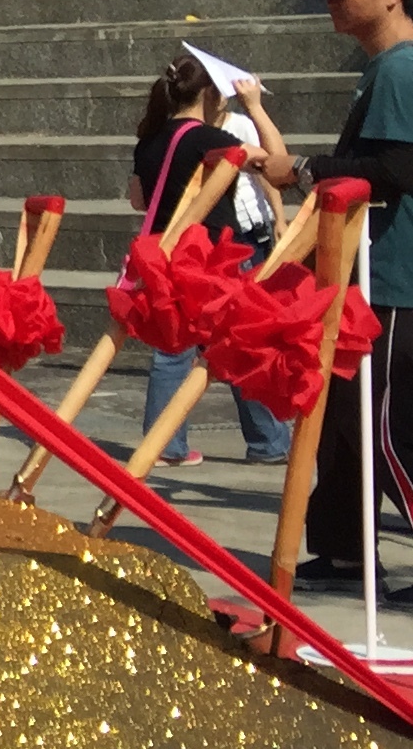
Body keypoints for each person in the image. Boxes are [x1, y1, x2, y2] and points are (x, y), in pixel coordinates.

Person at [303, 0, 413, 584]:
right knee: (346, 418)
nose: (330, 0)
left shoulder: (400, 69)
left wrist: (308, 169)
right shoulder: (381, 69)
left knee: (387, 424)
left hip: (395, 276)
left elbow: (396, 169)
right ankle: (345, 546)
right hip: (367, 271)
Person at [126, 53, 297, 466]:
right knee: (237, 341)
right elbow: (279, 167)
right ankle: (267, 442)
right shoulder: (209, 139)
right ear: (208, 94)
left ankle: (166, 444)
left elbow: (138, 199)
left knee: (174, 348)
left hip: (163, 252)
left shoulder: (149, 140)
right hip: (209, 253)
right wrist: (255, 107)